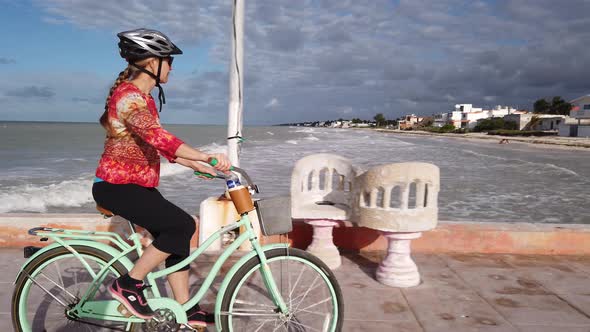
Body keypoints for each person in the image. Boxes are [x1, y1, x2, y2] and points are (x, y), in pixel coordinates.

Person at [92, 28, 231, 328]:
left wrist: (200, 165)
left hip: (134, 186)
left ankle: (185, 310)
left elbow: (160, 146)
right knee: (182, 224)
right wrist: (205, 155)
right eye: (169, 62)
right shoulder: (128, 97)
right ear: (152, 62)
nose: (171, 69)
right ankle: (129, 284)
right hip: (115, 187)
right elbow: (160, 138)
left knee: (178, 234)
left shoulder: (143, 99)